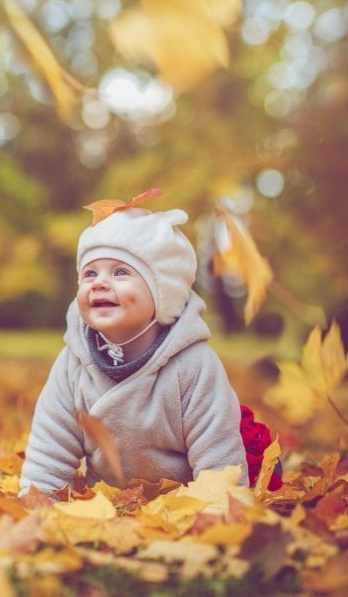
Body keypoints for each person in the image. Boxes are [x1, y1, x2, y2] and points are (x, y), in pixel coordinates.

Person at [19, 194, 249, 495]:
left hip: (181, 500)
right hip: (108, 501)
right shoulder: (73, 363)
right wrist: (37, 499)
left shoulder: (194, 365)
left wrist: (221, 507)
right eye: (89, 273)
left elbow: (217, 450)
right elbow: (51, 442)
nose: (99, 283)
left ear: (163, 293)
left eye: (121, 272)